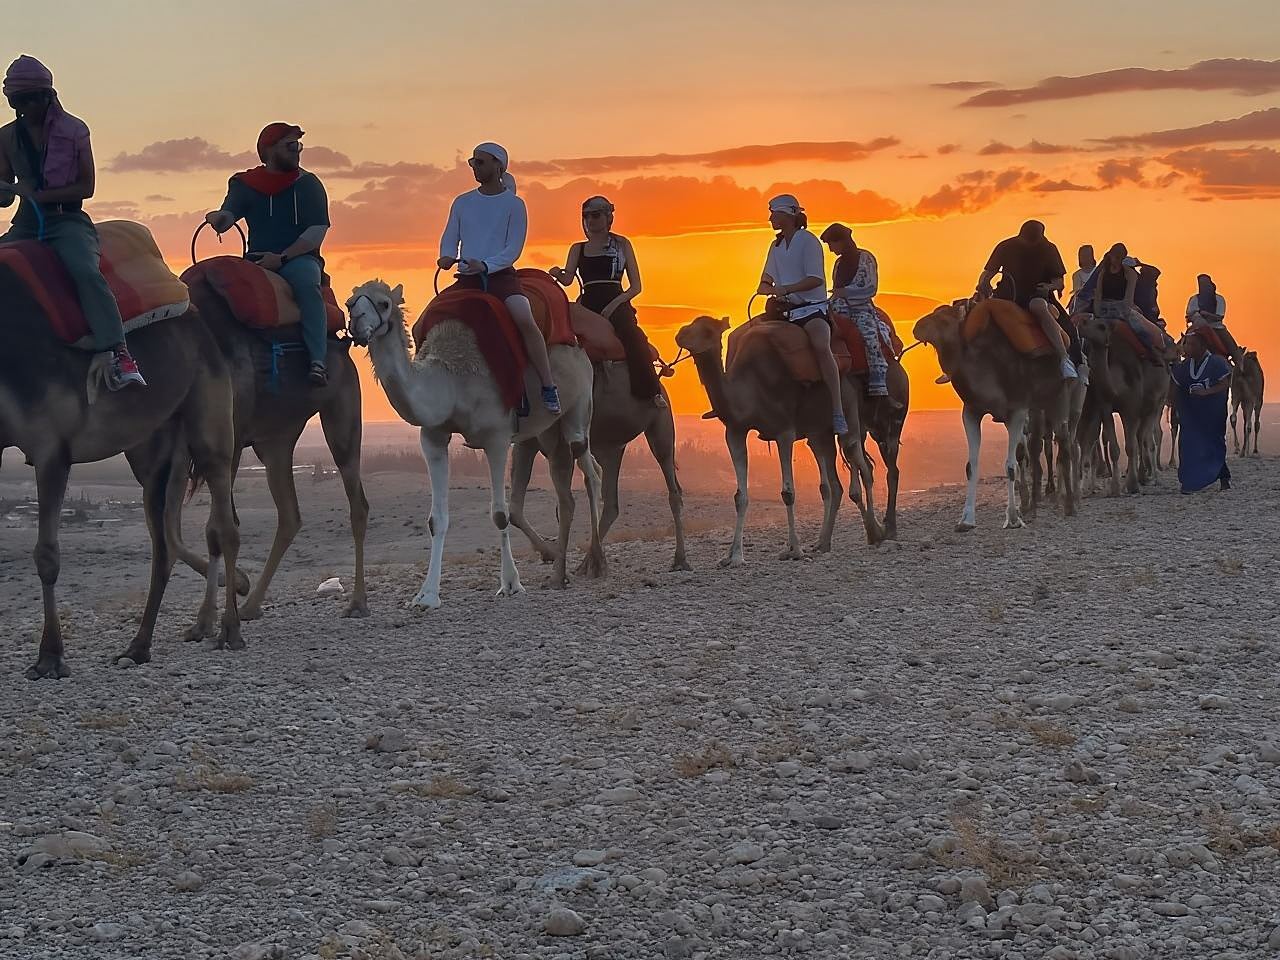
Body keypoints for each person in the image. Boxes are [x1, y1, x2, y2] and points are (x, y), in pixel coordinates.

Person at [0, 55, 144, 390]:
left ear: (48, 95)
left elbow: (87, 186)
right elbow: (7, 190)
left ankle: (118, 351)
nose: (28, 106)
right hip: (25, 223)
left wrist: (35, 194)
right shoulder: (6, 138)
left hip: (67, 220)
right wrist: (6, 191)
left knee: (84, 271)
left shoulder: (75, 130)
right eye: (19, 101)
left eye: (34, 98)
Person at [206, 122, 332, 386]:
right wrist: (219, 218)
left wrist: (283, 258)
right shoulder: (245, 184)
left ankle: (317, 361)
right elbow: (229, 213)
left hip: (298, 260)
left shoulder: (308, 185)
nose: (297, 151)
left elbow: (316, 232)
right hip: (256, 261)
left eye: (298, 145)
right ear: (269, 150)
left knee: (308, 285)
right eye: (291, 145)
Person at [438, 142, 559, 413]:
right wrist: (446, 255)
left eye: (479, 162)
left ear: (497, 165)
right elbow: (451, 235)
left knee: (524, 317)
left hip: (501, 277)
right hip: (467, 277)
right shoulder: (462, 202)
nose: (474, 167)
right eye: (472, 162)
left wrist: (486, 265)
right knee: (432, 318)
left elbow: (512, 249)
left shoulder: (514, 205)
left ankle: (548, 385)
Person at [549, 196, 664, 407]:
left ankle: (651, 391)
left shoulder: (622, 244)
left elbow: (636, 287)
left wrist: (615, 305)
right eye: (586, 216)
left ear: (607, 217)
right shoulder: (578, 248)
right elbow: (567, 279)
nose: (590, 220)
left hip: (616, 299)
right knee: (565, 340)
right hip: (588, 301)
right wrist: (557, 273)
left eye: (595, 215)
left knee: (633, 337)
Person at [757, 195, 846, 434]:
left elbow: (815, 279)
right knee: (750, 339)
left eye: (774, 214)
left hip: (811, 309)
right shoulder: (775, 246)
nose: (770, 219)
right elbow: (767, 275)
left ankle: (838, 410)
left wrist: (787, 288)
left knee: (820, 344)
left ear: (788, 215)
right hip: (784, 310)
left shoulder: (808, 241)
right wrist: (765, 285)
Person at [977, 220, 1076, 380]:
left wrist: (1049, 287)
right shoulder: (1005, 246)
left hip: (1036, 295)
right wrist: (983, 284)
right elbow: (988, 272)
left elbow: (1059, 281)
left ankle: (1065, 359)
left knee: (1040, 309)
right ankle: (957, 364)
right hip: (1007, 294)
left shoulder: (1049, 249)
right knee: (975, 313)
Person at [820, 221, 895, 403]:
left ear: (842, 241)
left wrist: (846, 293)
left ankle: (879, 387)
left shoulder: (866, 259)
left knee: (870, 338)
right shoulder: (838, 263)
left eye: (832, 244)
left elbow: (871, 287)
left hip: (861, 308)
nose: (831, 249)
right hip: (836, 306)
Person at [1170, 329, 1231, 493]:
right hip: (1191, 415)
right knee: (1187, 445)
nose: (1187, 348)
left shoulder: (1217, 363)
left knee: (1213, 445)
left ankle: (1223, 477)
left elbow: (1224, 384)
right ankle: (1189, 482)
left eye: (1192, 345)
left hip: (1212, 413)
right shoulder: (1183, 367)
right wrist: (1175, 409)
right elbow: (1177, 389)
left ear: (1203, 346)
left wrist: (1206, 392)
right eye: (1186, 344)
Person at [1092, 243, 1160, 363]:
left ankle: (1149, 351)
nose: (1115, 260)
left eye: (1119, 257)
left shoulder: (1130, 274)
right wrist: (1097, 311)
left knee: (1139, 327)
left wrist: (1122, 311)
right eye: (1114, 256)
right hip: (1103, 308)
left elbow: (1128, 298)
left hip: (1122, 308)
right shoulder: (1103, 272)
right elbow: (1098, 293)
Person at [1185, 274, 1243, 366]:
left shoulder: (1219, 299)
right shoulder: (1194, 299)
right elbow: (1189, 314)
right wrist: (1199, 316)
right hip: (1197, 327)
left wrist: (1205, 314)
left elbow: (1219, 317)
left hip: (1217, 328)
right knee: (1180, 344)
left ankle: (1240, 368)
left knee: (1233, 348)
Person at [1068, 244, 1096, 314]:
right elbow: (1077, 291)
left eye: (1087, 255)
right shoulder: (1076, 275)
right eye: (1083, 256)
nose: (1085, 258)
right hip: (1082, 301)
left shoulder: (1098, 272)